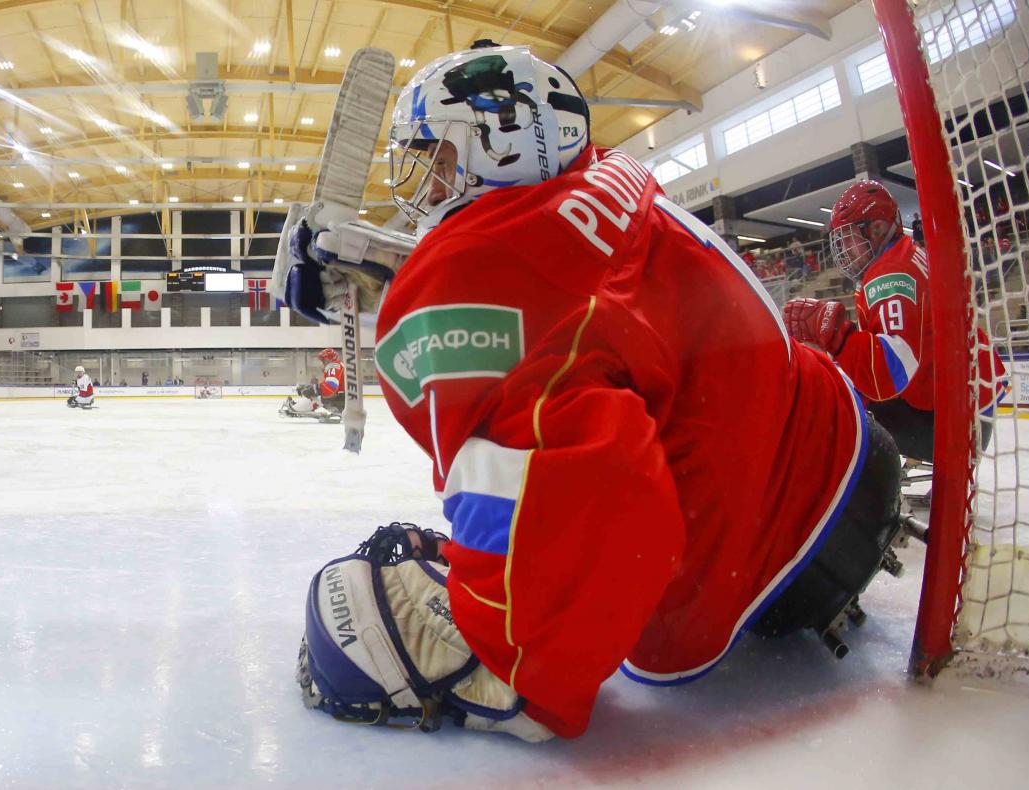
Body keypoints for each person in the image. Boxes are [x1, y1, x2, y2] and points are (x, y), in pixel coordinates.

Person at [293, 45, 903, 742]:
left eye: (439, 159)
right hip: (832, 448)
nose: (425, 184)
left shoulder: (508, 280)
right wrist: (384, 262)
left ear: (502, 141)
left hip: (772, 555)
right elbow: (565, 285)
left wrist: (518, 658)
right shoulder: (607, 179)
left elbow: (600, 483)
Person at [782, 181, 1006, 463]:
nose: (843, 249)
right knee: (851, 392)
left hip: (956, 422)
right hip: (969, 407)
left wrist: (836, 334)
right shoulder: (903, 255)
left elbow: (889, 374)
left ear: (876, 229)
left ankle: (874, 491)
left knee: (844, 411)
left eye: (847, 237)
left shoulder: (891, 274)